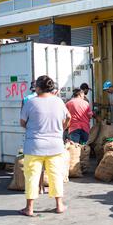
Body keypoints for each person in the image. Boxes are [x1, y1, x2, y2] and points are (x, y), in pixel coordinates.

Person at [20, 75, 71, 217]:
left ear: (38, 87)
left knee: (31, 176)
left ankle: (29, 208)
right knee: (56, 175)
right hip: (55, 145)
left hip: (34, 145)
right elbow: (68, 117)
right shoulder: (59, 102)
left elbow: (22, 122)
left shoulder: (30, 103)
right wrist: (62, 128)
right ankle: (59, 205)